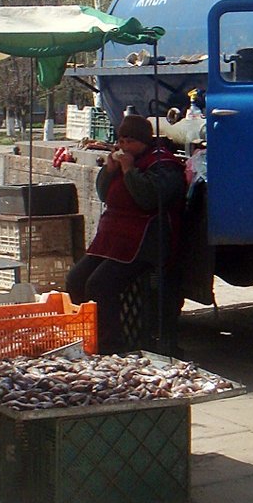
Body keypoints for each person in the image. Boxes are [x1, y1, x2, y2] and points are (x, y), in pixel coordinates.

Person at [66, 114, 185, 353]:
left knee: (100, 284)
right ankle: (86, 337)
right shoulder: (119, 161)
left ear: (143, 142)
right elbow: (103, 194)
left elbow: (149, 198)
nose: (124, 146)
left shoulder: (163, 165)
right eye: (121, 141)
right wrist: (109, 171)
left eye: (130, 141)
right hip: (112, 239)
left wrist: (129, 169)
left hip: (144, 243)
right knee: (76, 279)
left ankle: (110, 346)